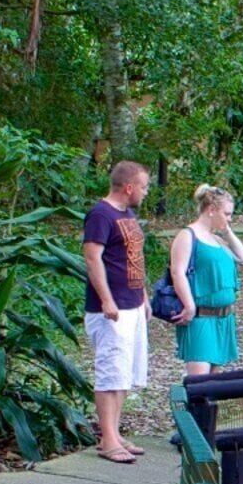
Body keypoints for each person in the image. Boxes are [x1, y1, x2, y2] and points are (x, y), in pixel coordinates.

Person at [80, 159, 152, 463]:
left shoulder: (127, 214)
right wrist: (107, 299)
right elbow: (93, 258)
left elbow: (134, 257)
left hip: (133, 304)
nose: (146, 192)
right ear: (129, 187)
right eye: (145, 186)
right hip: (111, 309)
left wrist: (144, 296)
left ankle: (116, 432)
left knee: (125, 372)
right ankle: (107, 439)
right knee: (110, 372)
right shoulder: (100, 214)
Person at [168, 183, 243, 378]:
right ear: (211, 210)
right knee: (200, 382)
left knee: (213, 383)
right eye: (227, 214)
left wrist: (227, 231)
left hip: (222, 317)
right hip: (201, 317)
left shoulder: (216, 239)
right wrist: (189, 305)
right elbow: (177, 272)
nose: (229, 219)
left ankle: (208, 411)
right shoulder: (188, 235)